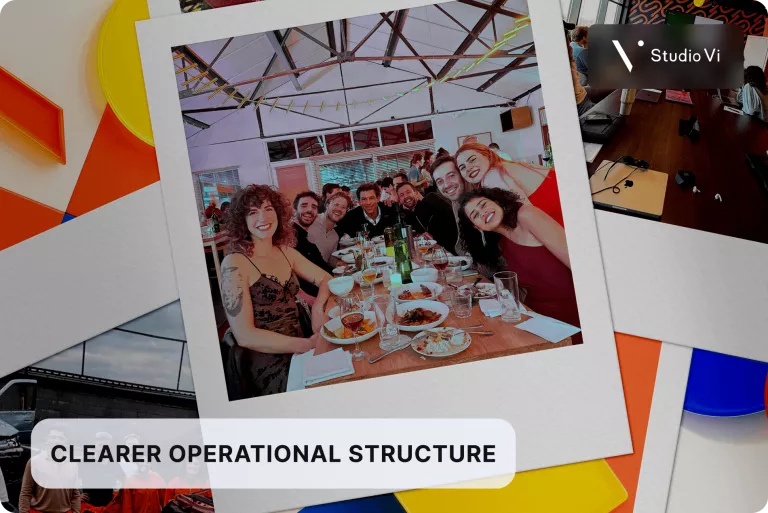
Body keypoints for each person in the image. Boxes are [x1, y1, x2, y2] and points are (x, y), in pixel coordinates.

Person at [219, 185, 331, 399]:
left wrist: (317, 307)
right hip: (268, 365)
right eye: (253, 212)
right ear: (241, 220)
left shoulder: (285, 252)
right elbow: (245, 335)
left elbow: (327, 279)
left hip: (301, 349)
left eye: (268, 209)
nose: (263, 217)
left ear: (278, 213)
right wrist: (307, 345)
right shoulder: (234, 263)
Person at [457, 187, 580, 342]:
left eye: (483, 204)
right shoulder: (499, 244)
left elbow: (579, 264)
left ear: (496, 201)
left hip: (574, 313)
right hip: (537, 317)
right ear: (477, 227)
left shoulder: (526, 215)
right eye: (475, 215)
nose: (483, 212)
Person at [429, 155, 505, 279]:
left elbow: (499, 260)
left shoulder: (482, 202)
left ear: (462, 175)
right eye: (440, 181)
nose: (447, 184)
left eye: (451, 175)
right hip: (480, 274)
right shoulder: (457, 203)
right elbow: (462, 245)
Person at [455, 142, 564, 226]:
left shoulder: (491, 177)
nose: (468, 168)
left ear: (487, 155)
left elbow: (529, 217)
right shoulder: (505, 165)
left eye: (472, 160)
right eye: (462, 167)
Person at [19, 427, 80, 513]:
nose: (56, 441)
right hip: (39, 511)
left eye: (60, 438)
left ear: (65, 442)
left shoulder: (72, 464)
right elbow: (26, 492)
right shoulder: (34, 462)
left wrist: (76, 511)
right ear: (47, 440)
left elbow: (75, 494)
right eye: (53, 437)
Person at [293, 191, 334, 297]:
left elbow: (323, 268)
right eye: (304, 205)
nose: (309, 210)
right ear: (294, 210)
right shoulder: (290, 239)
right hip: (313, 298)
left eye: (314, 207)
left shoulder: (307, 242)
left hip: (325, 291)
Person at [396, 182, 457, 252]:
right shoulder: (409, 215)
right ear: (399, 200)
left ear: (416, 193)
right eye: (402, 195)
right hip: (434, 251)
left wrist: (434, 236)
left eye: (408, 192)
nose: (406, 196)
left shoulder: (431, 199)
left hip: (453, 249)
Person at [79, 432, 124, 513]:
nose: (102, 443)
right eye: (99, 441)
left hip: (108, 508)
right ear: (94, 444)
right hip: (89, 508)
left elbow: (122, 481)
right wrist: (77, 495)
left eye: (106, 441)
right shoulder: (85, 462)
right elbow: (75, 480)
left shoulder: (115, 464)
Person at [308, 191, 350, 263]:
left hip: (321, 269)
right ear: (327, 205)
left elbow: (330, 260)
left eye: (343, 207)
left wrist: (344, 262)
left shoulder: (335, 236)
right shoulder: (311, 221)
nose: (339, 209)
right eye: (336, 205)